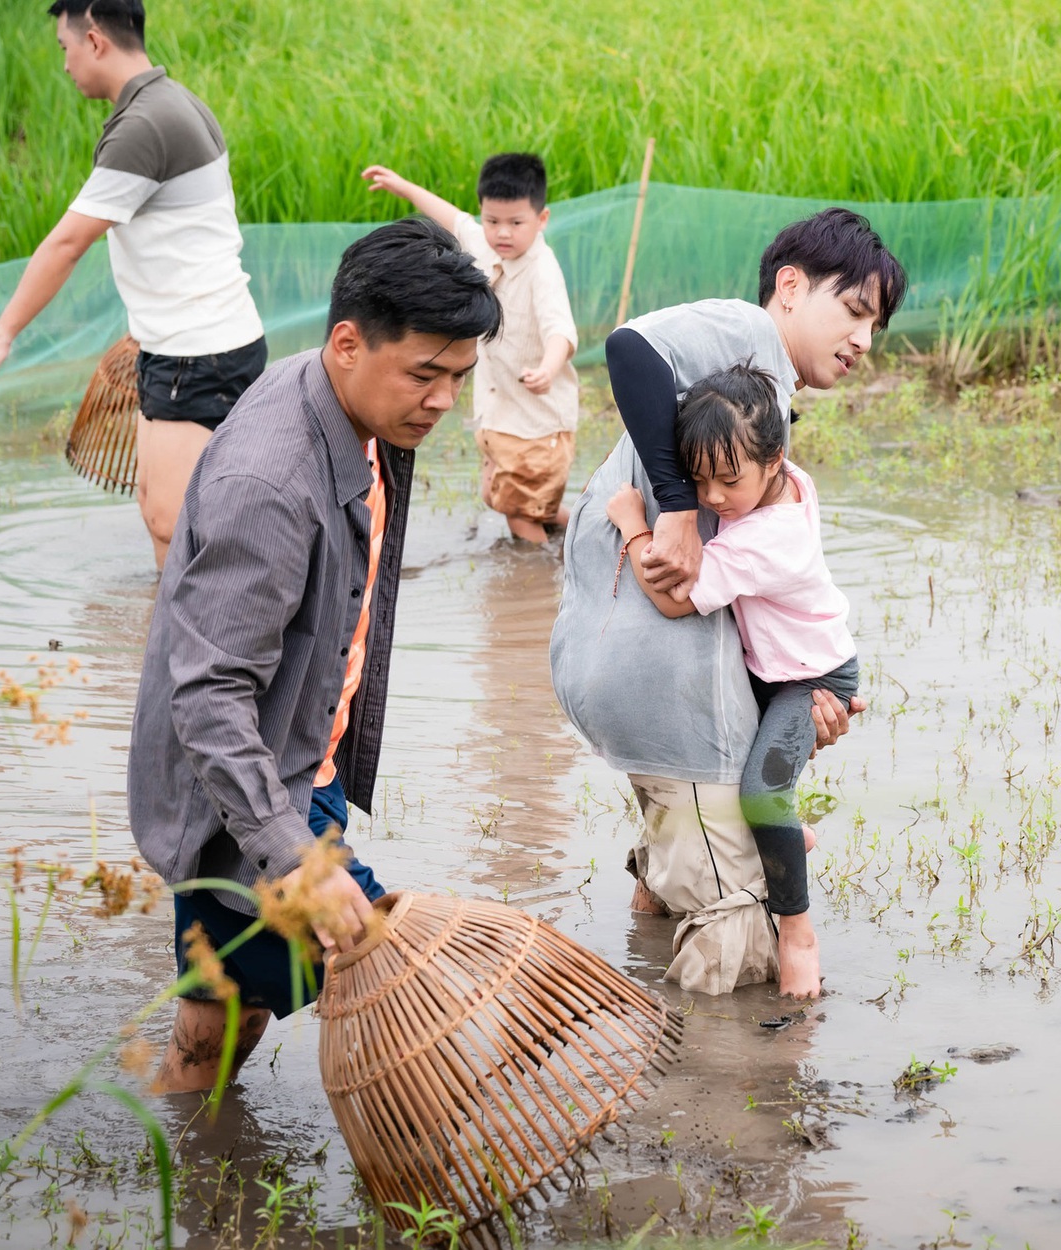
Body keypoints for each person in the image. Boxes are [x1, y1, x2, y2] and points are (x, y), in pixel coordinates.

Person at [125, 217, 500, 1093]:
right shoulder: (269, 482)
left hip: (300, 752)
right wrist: (295, 855)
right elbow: (210, 699)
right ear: (346, 344)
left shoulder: (360, 411)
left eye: (459, 377)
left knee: (227, 1008)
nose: (444, 400)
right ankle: (201, 1163)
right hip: (248, 801)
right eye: (425, 374)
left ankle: (191, 1146)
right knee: (376, 963)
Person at [549, 208, 906, 999]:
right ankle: (713, 1103)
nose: (863, 341)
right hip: (659, 675)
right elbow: (630, 348)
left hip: (611, 662)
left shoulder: (760, 403)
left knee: (686, 854)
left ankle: (652, 930)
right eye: (853, 311)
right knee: (739, 948)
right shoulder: (747, 336)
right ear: (790, 287)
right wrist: (675, 506)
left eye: (875, 327)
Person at [0, 0, 267, 570]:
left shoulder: (146, 123)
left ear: (95, 40)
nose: (66, 64)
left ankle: (213, 650)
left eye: (65, 49)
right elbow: (183, 241)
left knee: (178, 527)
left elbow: (66, 244)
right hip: (181, 344)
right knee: (159, 515)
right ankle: (162, 649)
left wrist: (0, 338)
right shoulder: (171, 102)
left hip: (201, 350)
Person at [603, 364, 858, 994]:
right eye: (699, 481)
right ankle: (785, 837)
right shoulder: (786, 484)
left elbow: (673, 599)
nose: (712, 498)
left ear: (776, 460)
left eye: (728, 480)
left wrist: (636, 524)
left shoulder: (767, 538)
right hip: (774, 668)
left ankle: (797, 932)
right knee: (748, 788)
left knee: (761, 795)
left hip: (810, 679)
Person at [361, 154, 579, 544]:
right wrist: (401, 185)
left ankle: (534, 584)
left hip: (536, 423)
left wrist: (549, 367)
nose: (502, 233)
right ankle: (585, 524)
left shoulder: (542, 269)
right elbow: (452, 218)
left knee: (520, 516)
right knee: (509, 499)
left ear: (541, 219)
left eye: (516, 223)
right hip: (500, 414)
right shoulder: (483, 241)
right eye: (492, 221)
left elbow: (559, 329)